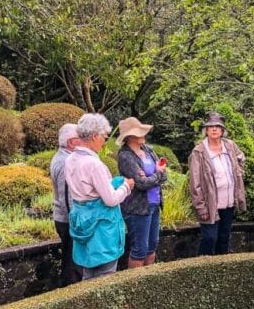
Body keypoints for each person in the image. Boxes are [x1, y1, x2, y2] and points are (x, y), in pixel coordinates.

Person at [65, 114, 134, 280]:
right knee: (105, 275)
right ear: (95, 136)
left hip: (81, 219)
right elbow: (110, 199)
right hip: (101, 226)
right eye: (104, 136)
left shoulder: (70, 159)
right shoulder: (94, 164)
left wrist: (114, 183)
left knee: (88, 272)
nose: (104, 140)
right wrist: (126, 186)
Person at [188, 112, 247, 255]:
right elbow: (195, 182)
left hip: (228, 201)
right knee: (209, 237)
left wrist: (238, 172)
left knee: (224, 237)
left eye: (217, 127)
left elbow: (241, 158)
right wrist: (200, 207)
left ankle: (222, 269)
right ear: (206, 131)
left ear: (222, 130)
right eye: (210, 127)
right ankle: (202, 268)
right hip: (209, 203)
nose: (214, 129)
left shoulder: (230, 146)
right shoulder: (199, 151)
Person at [116, 116, 168, 269]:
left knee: (152, 246)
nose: (143, 134)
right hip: (137, 209)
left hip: (154, 204)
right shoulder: (125, 156)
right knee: (139, 249)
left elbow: (164, 175)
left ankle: (148, 282)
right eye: (139, 132)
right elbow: (141, 183)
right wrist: (157, 174)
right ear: (130, 136)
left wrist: (155, 175)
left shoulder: (148, 150)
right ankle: (135, 285)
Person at [50, 123, 82, 287]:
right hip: (68, 220)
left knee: (72, 262)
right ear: (71, 142)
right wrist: (77, 224)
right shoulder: (65, 162)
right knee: (72, 265)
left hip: (67, 218)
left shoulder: (66, 158)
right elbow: (67, 199)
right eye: (80, 138)